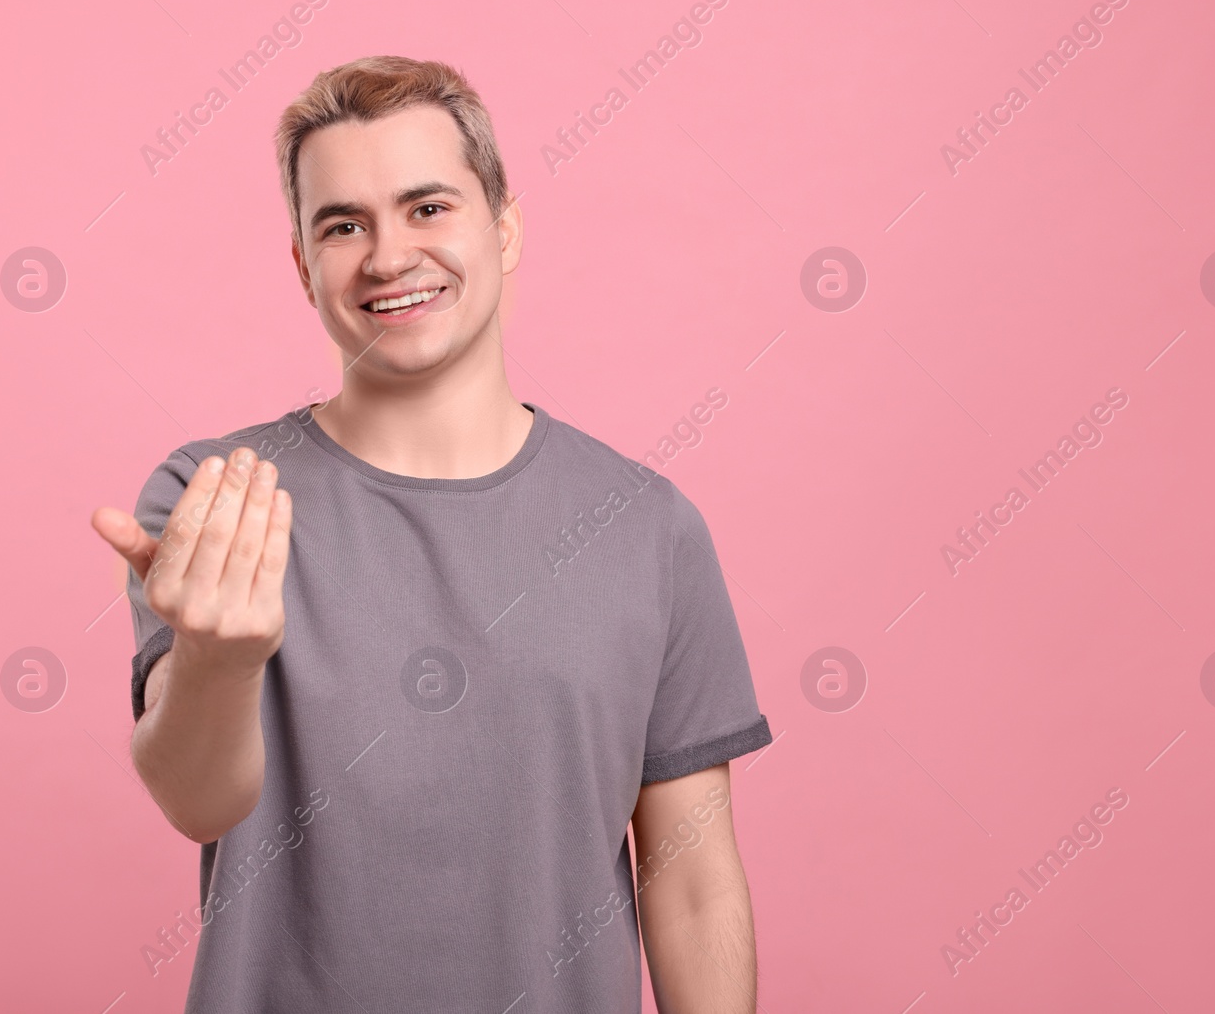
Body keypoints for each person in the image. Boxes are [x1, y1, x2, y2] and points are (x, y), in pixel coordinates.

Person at [90, 55, 772, 1013]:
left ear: (504, 226)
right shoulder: (216, 501)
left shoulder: (648, 528)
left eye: (428, 208)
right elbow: (197, 802)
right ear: (301, 265)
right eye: (342, 225)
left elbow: (694, 887)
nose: (386, 256)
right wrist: (216, 658)